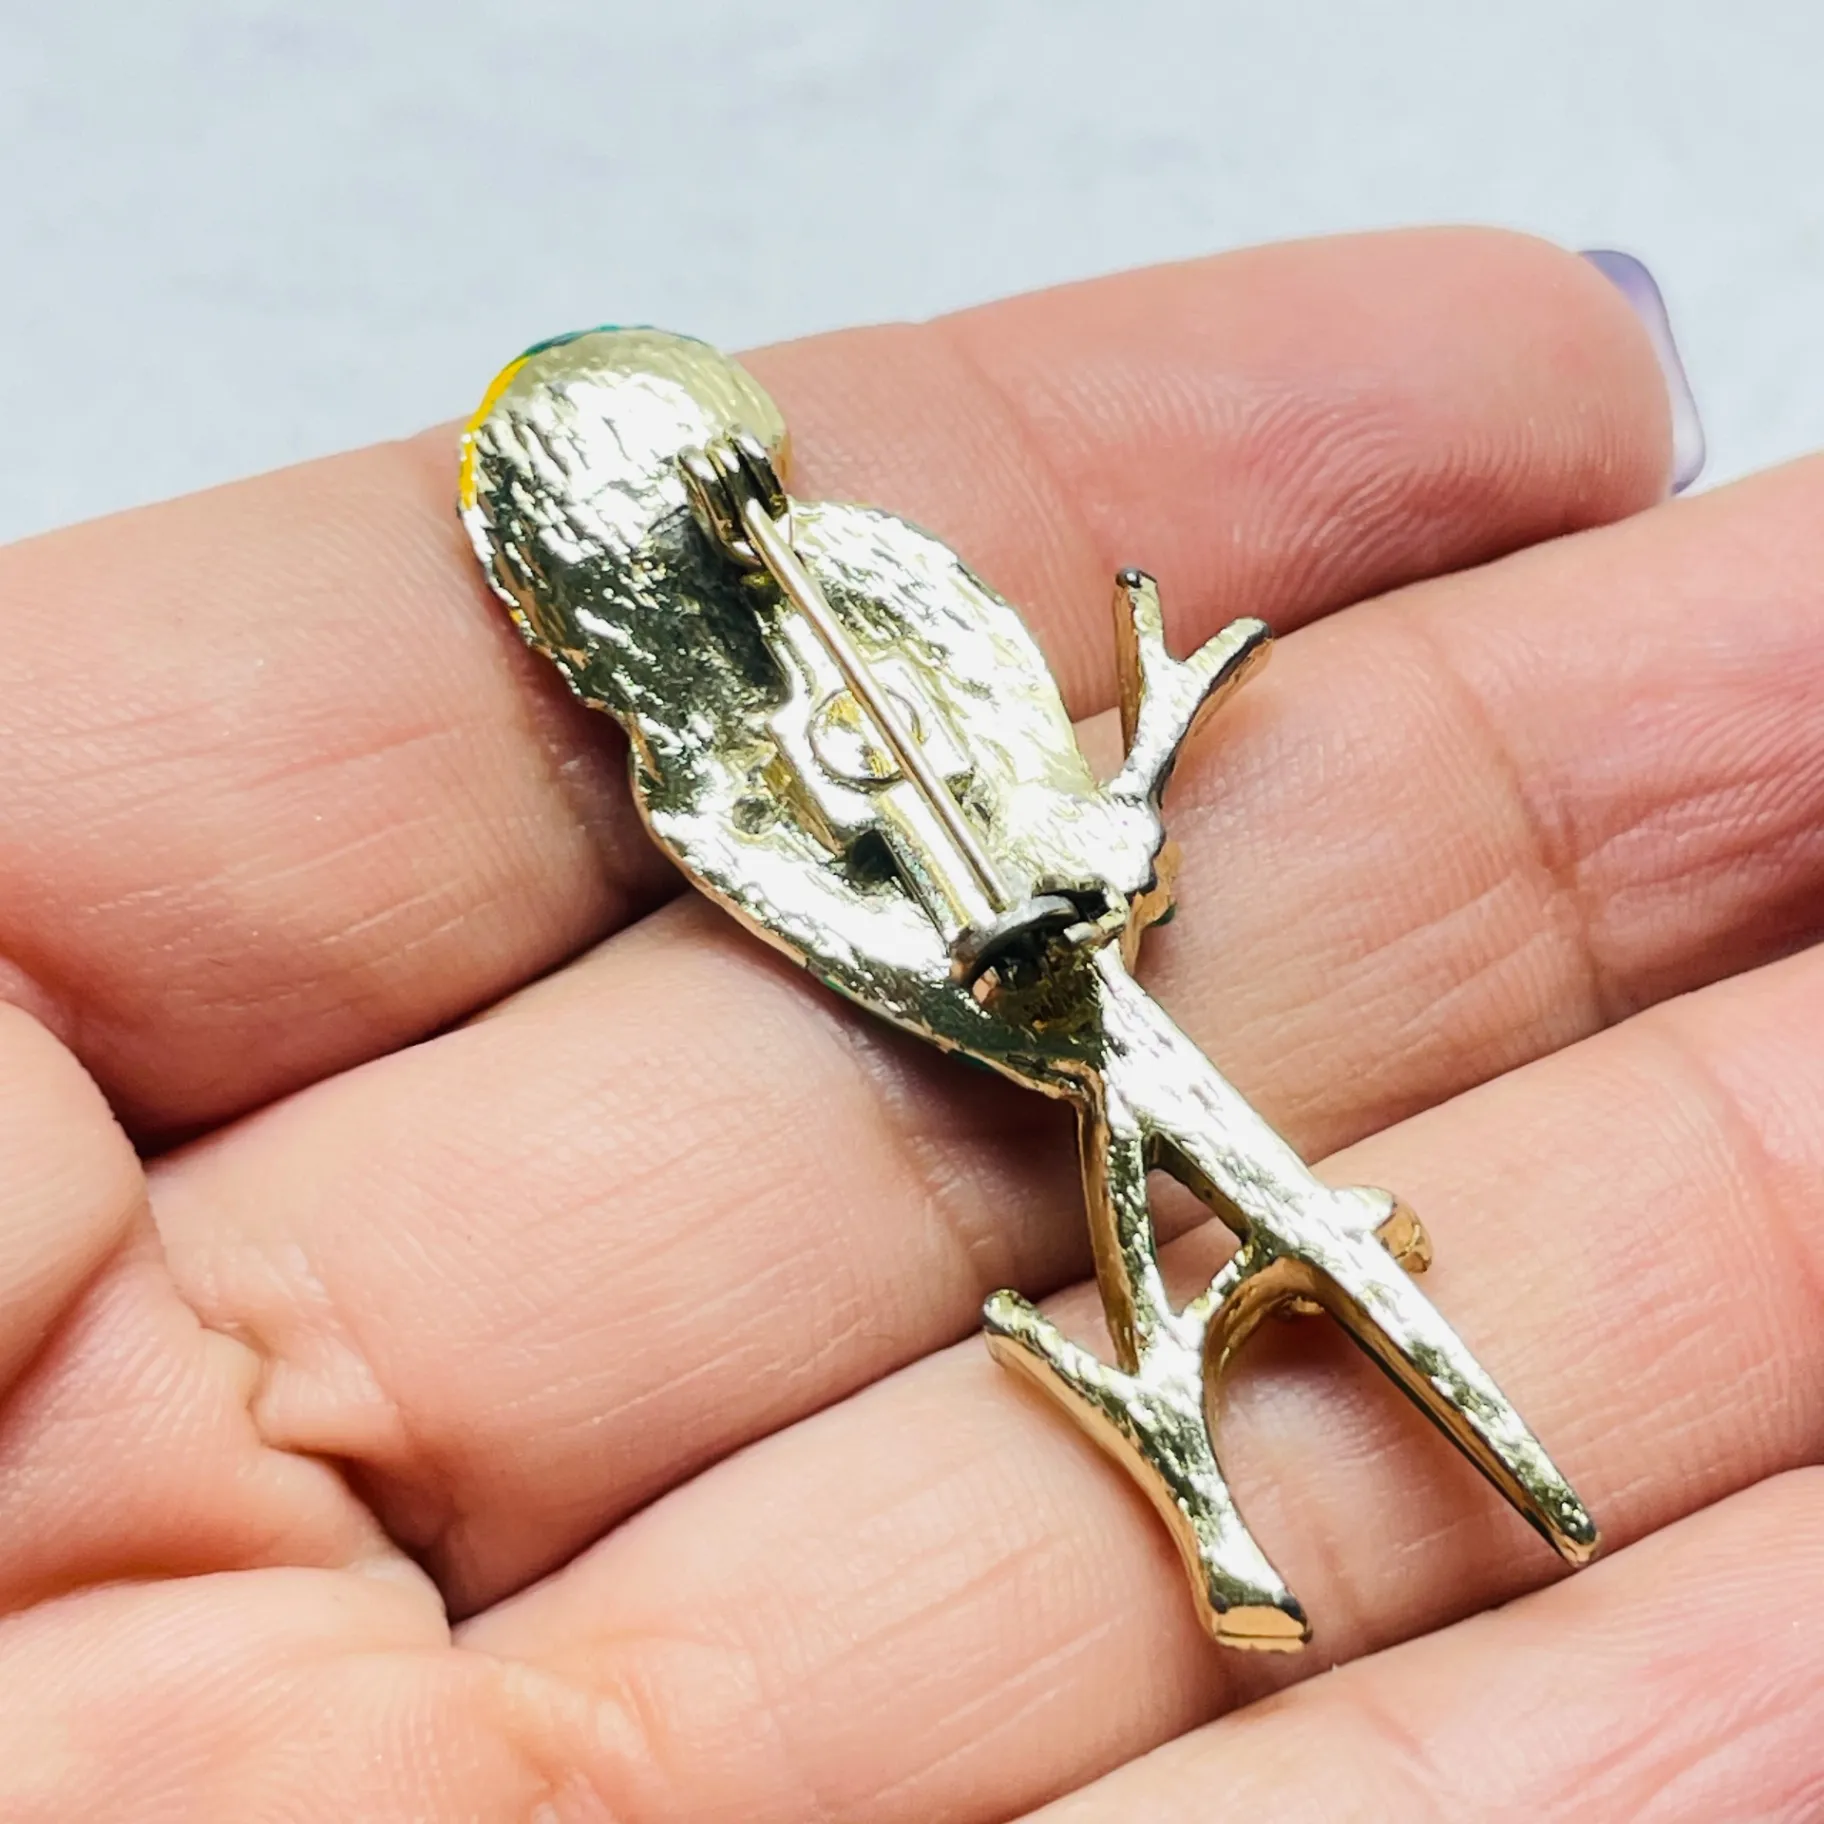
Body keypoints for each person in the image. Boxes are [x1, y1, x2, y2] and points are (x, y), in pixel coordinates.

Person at [0, 226, 1817, 1820]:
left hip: (1073, 942)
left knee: (1244, 1181)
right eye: (651, 506)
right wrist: (1013, 947)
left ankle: (1237, 1424)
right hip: (1034, 990)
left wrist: (1105, 845)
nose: (716, 516)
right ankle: (1225, 1418)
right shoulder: (697, 776)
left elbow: (1044, 788)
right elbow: (886, 949)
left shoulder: (869, 578)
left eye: (711, 470)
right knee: (1219, 1164)